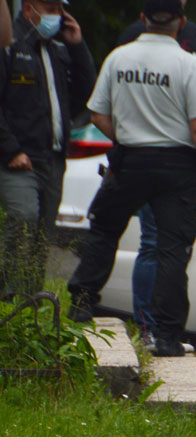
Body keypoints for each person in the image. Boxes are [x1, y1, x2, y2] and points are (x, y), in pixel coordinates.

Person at [66, 0, 196, 358]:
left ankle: (81, 303)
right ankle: (167, 337)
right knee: (173, 250)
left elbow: (97, 114)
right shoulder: (188, 64)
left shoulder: (118, 59)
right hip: (176, 166)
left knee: (105, 230)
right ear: (181, 23)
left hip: (129, 161)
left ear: (143, 19)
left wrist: (127, 134)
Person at [117, 0, 196, 348]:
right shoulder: (132, 39)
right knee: (154, 243)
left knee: (175, 246)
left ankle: (165, 329)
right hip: (148, 155)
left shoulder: (195, 37)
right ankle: (148, 328)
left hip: (185, 159)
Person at [0, 0, 95, 295]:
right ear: (29, 9)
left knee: (43, 235)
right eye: (50, 7)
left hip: (52, 159)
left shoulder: (59, 49)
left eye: (59, 8)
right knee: (24, 218)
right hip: (17, 159)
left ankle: (28, 308)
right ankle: (6, 298)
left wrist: (78, 47)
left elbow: (88, 94)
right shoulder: (10, 45)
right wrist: (11, 149)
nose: (56, 15)